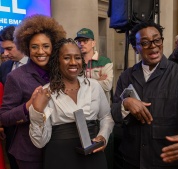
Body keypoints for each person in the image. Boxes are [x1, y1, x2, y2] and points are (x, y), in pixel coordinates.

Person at [111, 21, 178, 169]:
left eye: (157, 40)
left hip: (169, 162)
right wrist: (125, 104)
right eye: (145, 42)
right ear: (135, 48)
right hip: (131, 160)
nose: (153, 45)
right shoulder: (126, 76)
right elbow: (114, 112)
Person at [28, 38, 114, 169]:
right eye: (67, 58)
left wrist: (103, 137)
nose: (73, 62)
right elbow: (39, 142)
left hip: (93, 154)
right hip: (60, 157)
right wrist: (37, 111)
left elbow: (106, 117)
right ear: (57, 61)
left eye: (78, 58)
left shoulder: (94, 86)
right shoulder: (46, 92)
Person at [0, 14, 66, 169]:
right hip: (30, 152)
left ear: (53, 46)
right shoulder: (16, 76)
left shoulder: (62, 73)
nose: (40, 51)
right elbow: (4, 117)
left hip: (60, 147)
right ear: (27, 48)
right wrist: (29, 105)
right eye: (34, 47)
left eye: (46, 46)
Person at [0, 25, 29, 169]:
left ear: (20, 43)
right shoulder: (4, 68)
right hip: (10, 131)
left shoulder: (37, 64)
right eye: (3, 49)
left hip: (31, 131)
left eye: (9, 48)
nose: (5, 53)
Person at [74, 28, 113, 104]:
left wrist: (82, 84)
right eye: (79, 41)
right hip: (82, 107)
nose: (81, 44)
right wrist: (97, 81)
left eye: (85, 41)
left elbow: (107, 86)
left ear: (93, 43)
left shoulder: (105, 61)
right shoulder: (75, 63)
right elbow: (72, 87)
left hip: (101, 109)